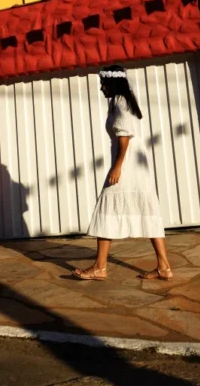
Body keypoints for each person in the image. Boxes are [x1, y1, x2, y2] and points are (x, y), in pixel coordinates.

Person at [73, 65, 173, 281]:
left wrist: (117, 166)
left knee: (106, 209)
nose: (101, 88)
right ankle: (164, 267)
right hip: (137, 165)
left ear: (112, 83)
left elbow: (125, 136)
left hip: (126, 164)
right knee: (147, 209)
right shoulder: (123, 101)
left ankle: (100, 267)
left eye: (103, 83)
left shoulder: (120, 102)